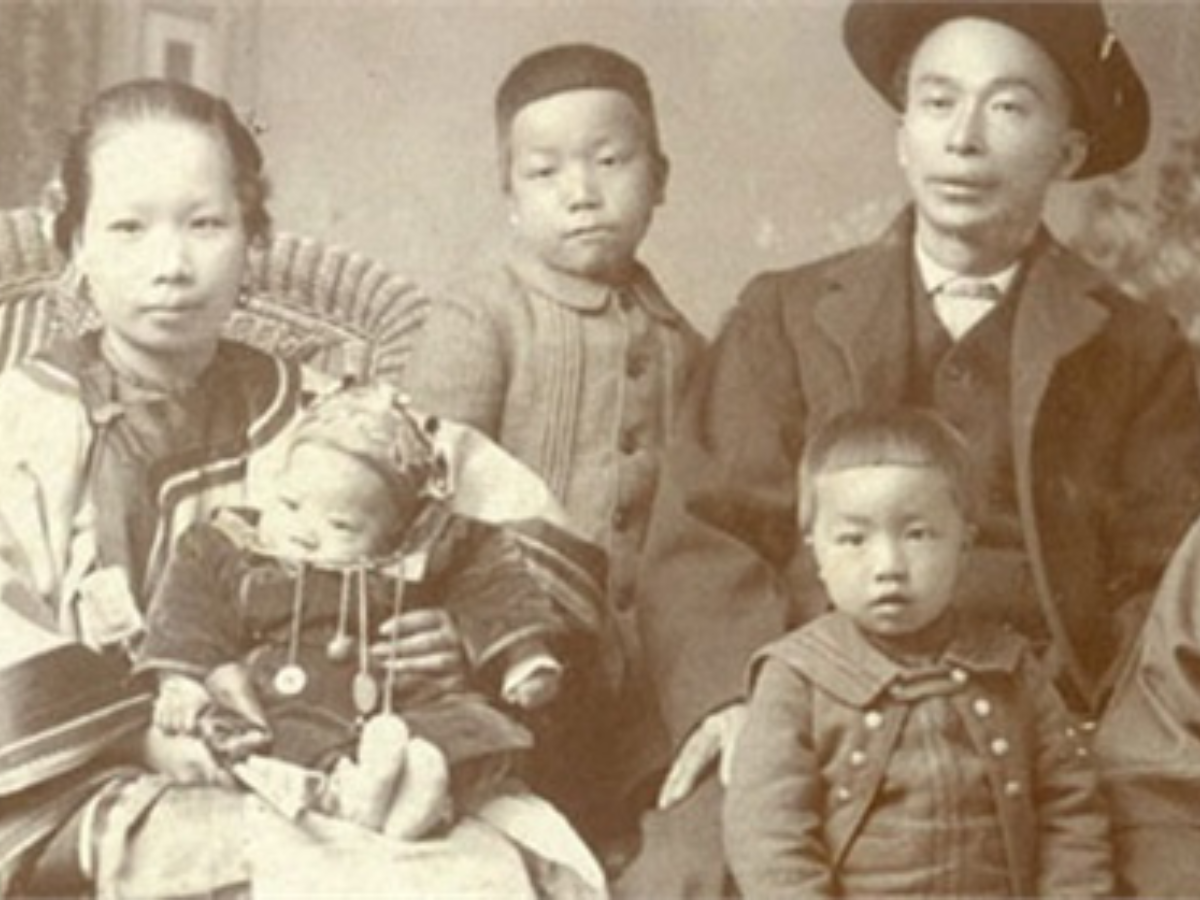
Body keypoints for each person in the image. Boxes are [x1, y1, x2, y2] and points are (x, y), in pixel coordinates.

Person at [619, 2, 1200, 896]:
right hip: (815, 711)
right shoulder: (787, 314)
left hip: (1049, 725)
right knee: (689, 874)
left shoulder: (1136, 348)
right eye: (937, 103)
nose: (963, 139)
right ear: (903, 136)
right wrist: (737, 700)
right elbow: (707, 528)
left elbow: (1157, 578)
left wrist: (1093, 732)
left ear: (1069, 152)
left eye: (1008, 108)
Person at [0, 78, 605, 898]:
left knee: (467, 869)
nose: (171, 265)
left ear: (255, 242)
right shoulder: (23, 420)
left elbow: (521, 537)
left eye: (207, 224)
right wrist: (140, 733)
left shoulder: (337, 417)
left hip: (347, 753)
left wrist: (464, 630)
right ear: (75, 244)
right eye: (127, 228)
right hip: (94, 774)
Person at [403, 42, 704, 855]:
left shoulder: (685, 341)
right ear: (508, 195)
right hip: (505, 664)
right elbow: (420, 490)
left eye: (610, 160)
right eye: (544, 173)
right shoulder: (483, 315)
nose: (581, 193)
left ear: (661, 179)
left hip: (641, 682)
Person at [138, 384, 597, 840]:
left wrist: (524, 654)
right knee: (287, 737)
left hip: (408, 701)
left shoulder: (425, 551)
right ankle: (366, 797)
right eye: (291, 505)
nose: (304, 533)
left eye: (341, 525)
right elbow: (187, 611)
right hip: (294, 697)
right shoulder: (230, 546)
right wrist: (179, 681)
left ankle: (424, 784)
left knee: (473, 731)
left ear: (397, 529)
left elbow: (492, 582)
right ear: (275, 484)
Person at [724, 407, 1112, 898]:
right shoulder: (795, 678)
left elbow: (1070, 806)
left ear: (964, 547)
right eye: (853, 539)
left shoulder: (1010, 668)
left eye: (918, 534)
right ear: (816, 553)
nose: (888, 565)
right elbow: (768, 836)